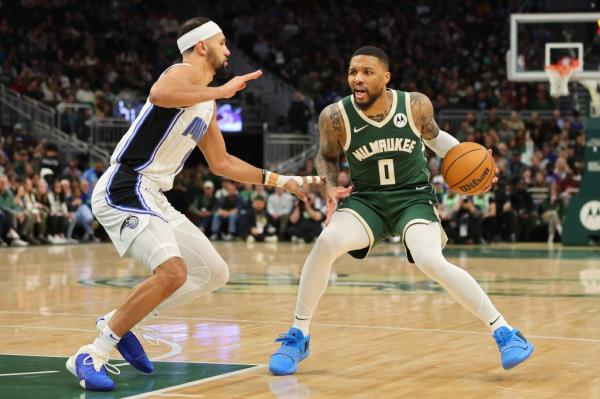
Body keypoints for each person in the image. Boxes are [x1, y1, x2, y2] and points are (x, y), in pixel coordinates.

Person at [66, 17, 323, 392]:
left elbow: (222, 164)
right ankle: (93, 353)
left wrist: (281, 180)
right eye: (222, 43)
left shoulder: (203, 104)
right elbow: (159, 94)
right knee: (173, 272)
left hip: (153, 194)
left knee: (214, 272)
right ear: (202, 46)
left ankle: (117, 323)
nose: (228, 50)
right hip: (127, 185)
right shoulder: (182, 72)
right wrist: (221, 92)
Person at [268, 46, 533, 376]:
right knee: (326, 243)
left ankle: (505, 331)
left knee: (429, 259)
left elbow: (437, 141)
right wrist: (330, 184)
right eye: (353, 72)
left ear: (386, 77)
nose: (358, 78)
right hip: (367, 200)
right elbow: (326, 156)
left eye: (367, 72)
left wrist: (479, 164)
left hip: (413, 198)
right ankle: (299, 335)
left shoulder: (415, 105)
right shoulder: (334, 115)